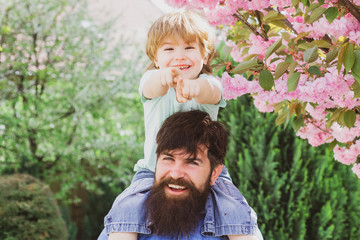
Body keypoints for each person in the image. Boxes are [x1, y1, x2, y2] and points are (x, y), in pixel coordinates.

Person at [98, 10, 261, 239]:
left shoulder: (207, 82)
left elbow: (213, 92)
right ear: (155, 58)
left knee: (234, 207)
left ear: (204, 55)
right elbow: (150, 87)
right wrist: (163, 79)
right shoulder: (151, 80)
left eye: (189, 48)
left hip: (206, 171)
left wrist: (196, 88)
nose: (180, 55)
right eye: (169, 49)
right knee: (127, 206)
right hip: (153, 169)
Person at [98, 110, 262, 239]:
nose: (176, 173)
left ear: (214, 173)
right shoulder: (125, 219)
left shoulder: (235, 222)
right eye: (168, 158)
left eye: (191, 162)